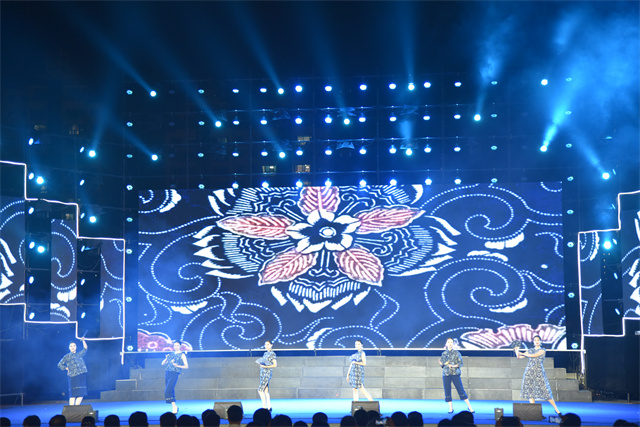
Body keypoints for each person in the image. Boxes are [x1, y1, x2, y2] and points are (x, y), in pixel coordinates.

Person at [515, 335, 561, 415]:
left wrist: (523, 353)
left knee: (546, 391)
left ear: (540, 341)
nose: (536, 341)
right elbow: (519, 357)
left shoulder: (542, 350)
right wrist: (516, 350)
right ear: (533, 342)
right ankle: (534, 411)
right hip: (529, 371)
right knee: (530, 391)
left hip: (539, 372)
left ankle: (557, 410)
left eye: (538, 340)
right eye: (535, 340)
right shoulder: (530, 350)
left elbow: (534, 355)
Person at [438, 338, 474, 414]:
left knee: (460, 389)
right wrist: (441, 364)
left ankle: (470, 407)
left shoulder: (457, 353)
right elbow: (443, 364)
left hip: (455, 373)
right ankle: (451, 409)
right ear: (446, 343)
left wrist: (453, 366)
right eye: (448, 342)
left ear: (453, 343)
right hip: (446, 374)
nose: (450, 343)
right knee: (447, 390)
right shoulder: (444, 353)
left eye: (451, 342)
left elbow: (460, 363)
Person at [57, 337, 88, 405]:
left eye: (74, 346)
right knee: (73, 394)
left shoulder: (79, 354)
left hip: (81, 375)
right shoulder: (67, 356)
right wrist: (66, 368)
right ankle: (71, 409)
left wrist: (83, 340)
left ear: (76, 347)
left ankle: (76, 408)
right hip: (73, 376)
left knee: (81, 393)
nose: (72, 347)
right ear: (69, 348)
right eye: (71, 346)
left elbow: (85, 349)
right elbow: (59, 364)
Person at [162, 340, 189, 414]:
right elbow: (163, 363)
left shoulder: (182, 355)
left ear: (180, 346)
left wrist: (178, 366)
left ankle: (174, 406)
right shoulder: (171, 354)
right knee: (170, 390)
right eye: (175, 345)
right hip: (167, 372)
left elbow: (186, 366)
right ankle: (174, 407)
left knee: (167, 390)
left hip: (175, 373)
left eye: (177, 345)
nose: (176, 347)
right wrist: (166, 358)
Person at [256, 340, 277, 410]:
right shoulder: (265, 353)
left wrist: (266, 366)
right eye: (265, 344)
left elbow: (275, 365)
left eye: (268, 344)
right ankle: (269, 407)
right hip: (262, 372)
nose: (266, 346)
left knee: (260, 390)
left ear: (271, 345)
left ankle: (264, 407)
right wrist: (262, 366)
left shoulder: (273, 354)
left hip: (267, 373)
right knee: (265, 390)